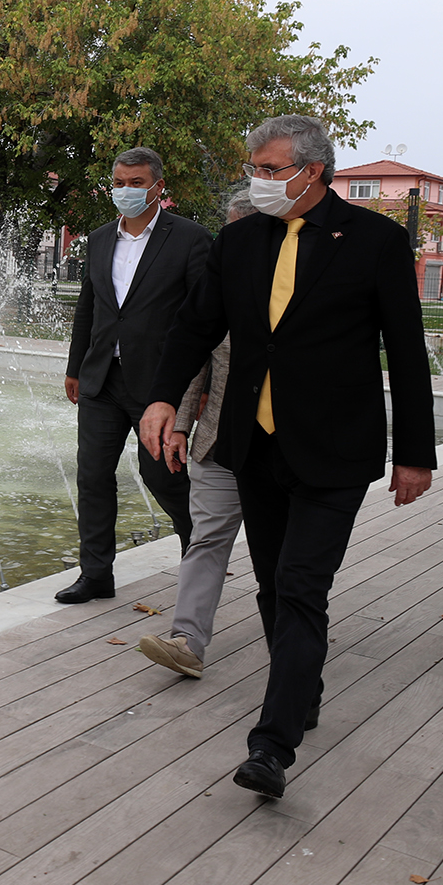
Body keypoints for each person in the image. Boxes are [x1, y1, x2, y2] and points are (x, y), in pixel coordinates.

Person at [141, 115, 435, 799]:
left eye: (271, 170)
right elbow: (195, 327)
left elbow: (409, 354)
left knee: (303, 585)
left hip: (334, 448)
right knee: (275, 584)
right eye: (255, 168)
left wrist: (415, 453)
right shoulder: (240, 241)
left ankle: (271, 746)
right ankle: (302, 688)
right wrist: (161, 399)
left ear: (314, 172)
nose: (258, 179)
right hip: (256, 443)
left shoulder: (376, 243)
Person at [57, 147, 213, 604]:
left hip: (160, 384)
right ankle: (96, 574)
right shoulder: (101, 239)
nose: (126, 190)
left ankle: (198, 556)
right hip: (103, 378)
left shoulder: (189, 239)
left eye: (137, 183)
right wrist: (75, 366)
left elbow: (203, 319)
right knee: (93, 476)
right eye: (120, 183)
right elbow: (89, 306)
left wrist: (196, 388)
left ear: (158, 187)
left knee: (163, 476)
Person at [137, 188, 256, 679]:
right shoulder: (218, 287)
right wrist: (181, 425)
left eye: (232, 230)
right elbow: (195, 362)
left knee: (290, 555)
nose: (223, 240)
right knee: (207, 539)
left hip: (284, 447)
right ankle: (187, 640)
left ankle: (295, 644)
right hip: (218, 440)